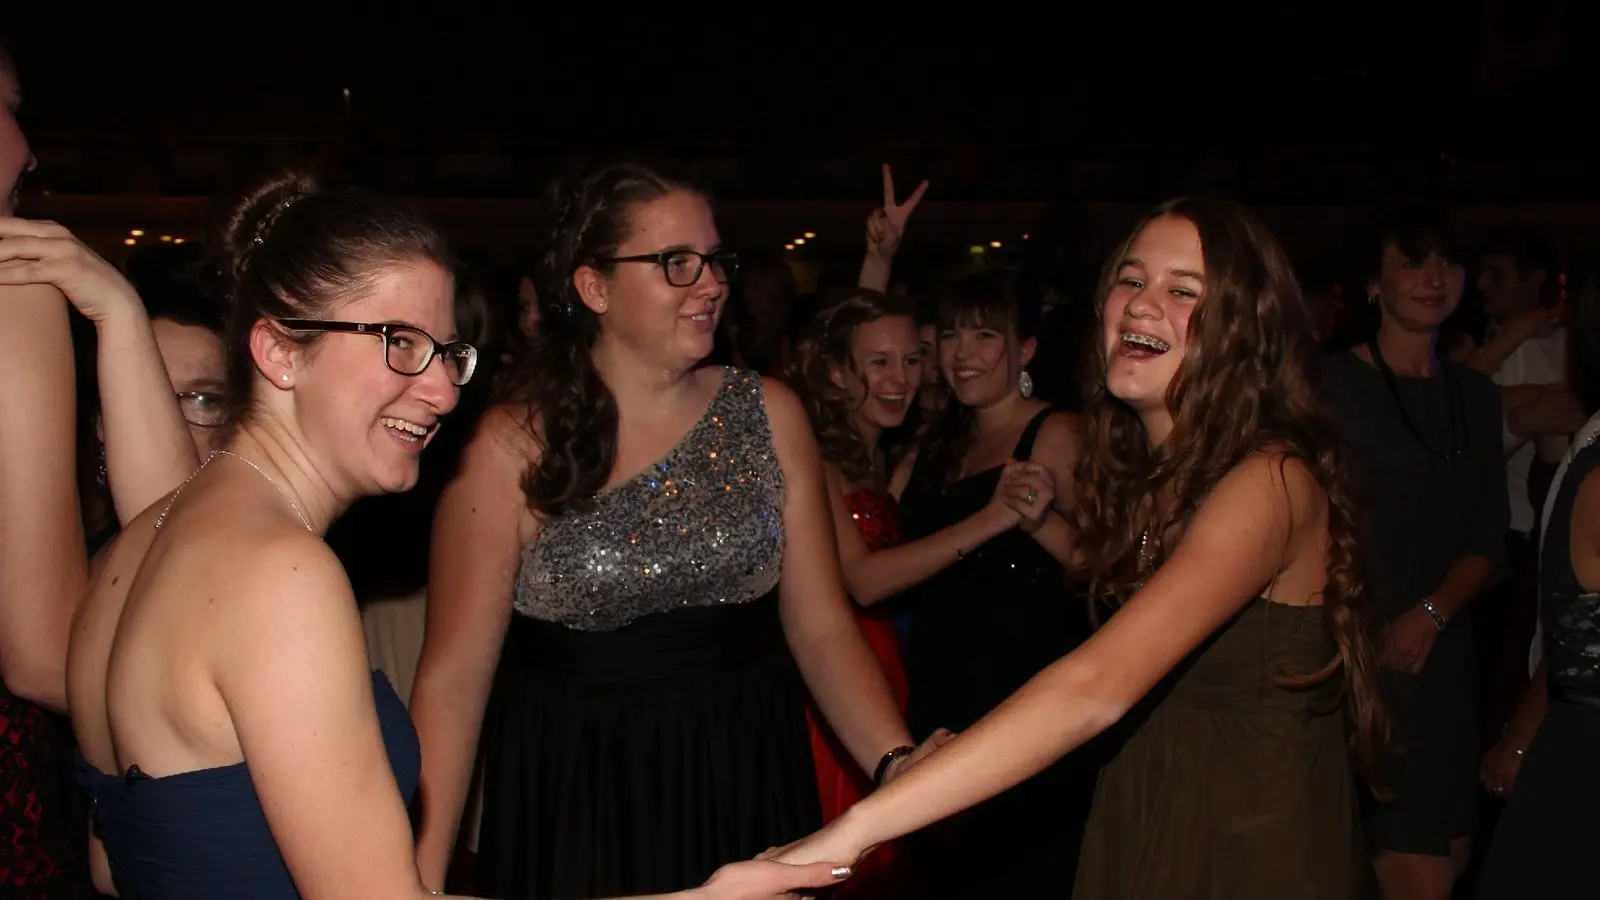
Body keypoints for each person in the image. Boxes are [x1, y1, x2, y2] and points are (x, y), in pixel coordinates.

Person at [65, 170, 846, 900]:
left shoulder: (141, 541)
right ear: (278, 350)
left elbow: (111, 862)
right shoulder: (280, 575)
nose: (442, 390)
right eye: (399, 344)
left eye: (447, 353)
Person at [774, 197, 1388, 900]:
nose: (1142, 304)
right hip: (1146, 801)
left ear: (1246, 328)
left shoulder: (1268, 482)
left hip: (1247, 837)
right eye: (1132, 280)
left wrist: (850, 834)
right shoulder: (1153, 478)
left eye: (1183, 290)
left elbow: (1096, 685)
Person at [410, 161, 942, 899]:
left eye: (715, 260)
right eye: (676, 263)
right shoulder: (510, 445)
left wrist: (896, 762)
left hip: (746, 769)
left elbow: (822, 628)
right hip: (583, 790)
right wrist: (414, 880)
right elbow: (454, 680)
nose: (712, 284)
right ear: (594, 287)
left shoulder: (770, 414)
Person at [1321, 211, 1509, 899]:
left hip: (1446, 654)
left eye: (1447, 263)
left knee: (1452, 855)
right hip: (1361, 656)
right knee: (1415, 868)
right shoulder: (1329, 387)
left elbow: (1488, 534)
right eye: (1413, 262)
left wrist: (1433, 613)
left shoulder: (1476, 396)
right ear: (1373, 284)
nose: (1434, 278)